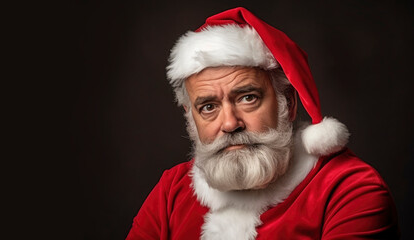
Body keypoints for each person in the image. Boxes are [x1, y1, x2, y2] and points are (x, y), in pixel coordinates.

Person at [126, 7, 399, 240]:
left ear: (288, 102)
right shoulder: (170, 191)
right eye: (208, 107)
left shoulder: (350, 190)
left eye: (247, 98)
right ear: (190, 117)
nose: (230, 123)